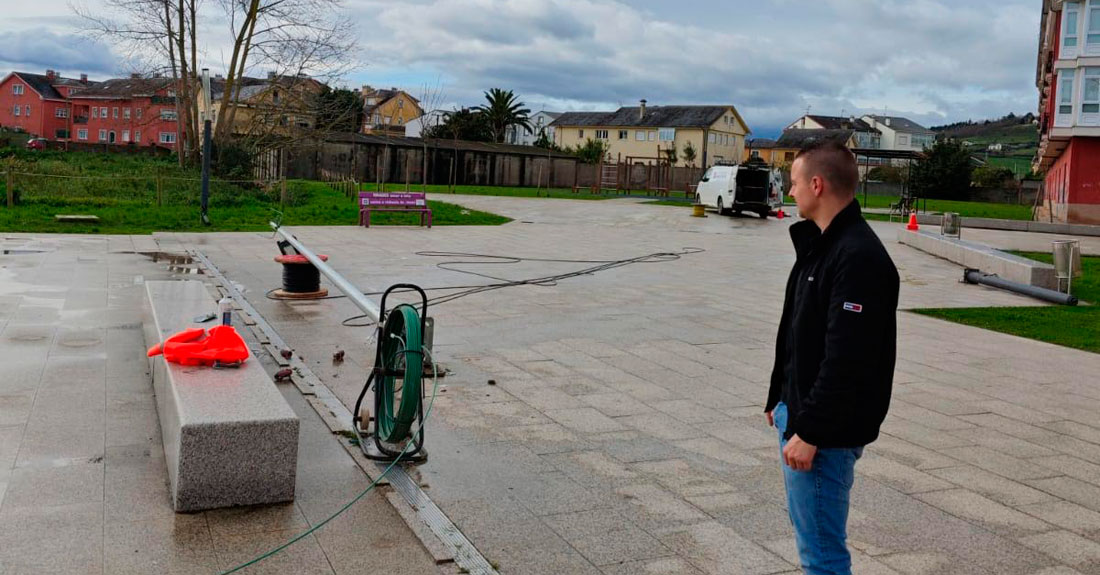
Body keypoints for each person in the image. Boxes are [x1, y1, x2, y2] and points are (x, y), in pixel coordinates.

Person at [765, 139, 899, 575]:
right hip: (800, 414)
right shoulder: (821, 246)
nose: (790, 192)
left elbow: (848, 357)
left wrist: (810, 431)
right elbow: (797, 331)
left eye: (795, 183)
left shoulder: (857, 257)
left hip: (823, 433)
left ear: (817, 185)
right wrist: (778, 396)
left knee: (822, 557)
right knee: (813, 543)